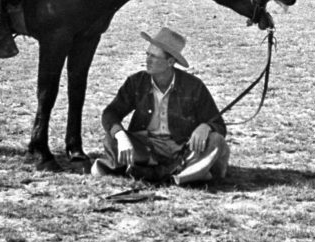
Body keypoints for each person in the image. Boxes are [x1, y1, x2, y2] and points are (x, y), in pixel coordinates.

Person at [91, 26, 230, 185]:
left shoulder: (194, 86)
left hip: (181, 149)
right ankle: (183, 174)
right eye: (147, 54)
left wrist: (206, 127)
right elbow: (110, 113)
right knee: (111, 137)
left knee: (216, 141)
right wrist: (121, 136)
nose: (147, 60)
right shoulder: (136, 82)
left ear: (170, 62)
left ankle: (168, 176)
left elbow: (219, 126)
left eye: (154, 57)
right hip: (145, 149)